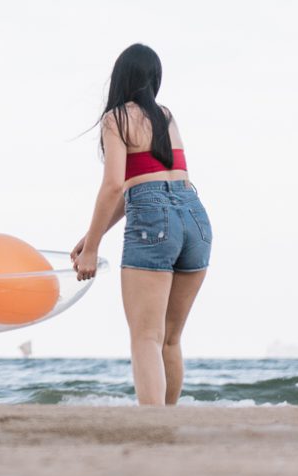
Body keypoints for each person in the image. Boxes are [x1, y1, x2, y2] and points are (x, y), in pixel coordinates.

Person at [69, 43, 211, 406]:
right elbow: (153, 184)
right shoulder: (166, 116)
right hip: (194, 216)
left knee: (145, 337)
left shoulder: (115, 118)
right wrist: (91, 237)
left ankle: (153, 428)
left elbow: (116, 184)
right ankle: (169, 423)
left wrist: (93, 249)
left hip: (154, 220)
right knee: (169, 338)